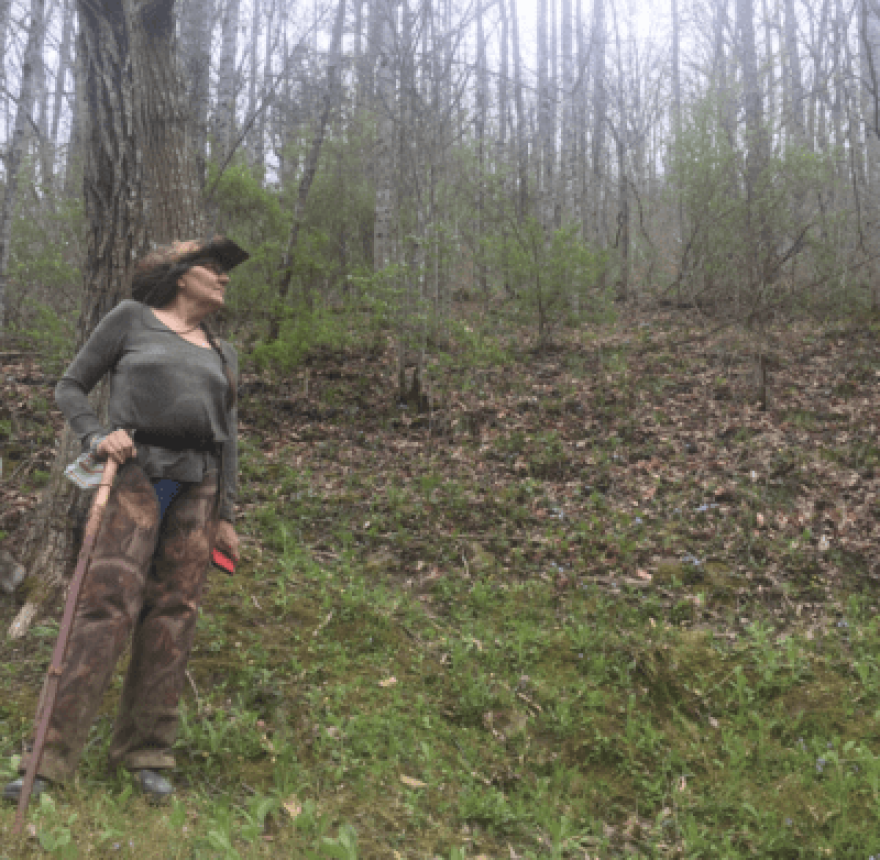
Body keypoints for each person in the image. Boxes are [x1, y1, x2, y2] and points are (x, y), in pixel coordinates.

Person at [3, 236, 248, 801]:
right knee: (103, 607)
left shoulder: (222, 349)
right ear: (183, 275)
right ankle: (46, 761)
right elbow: (70, 386)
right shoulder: (131, 320)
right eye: (216, 270)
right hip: (137, 478)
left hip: (197, 488)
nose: (225, 279)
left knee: (175, 613)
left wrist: (227, 514)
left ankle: (145, 755)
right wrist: (96, 434)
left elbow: (229, 438)